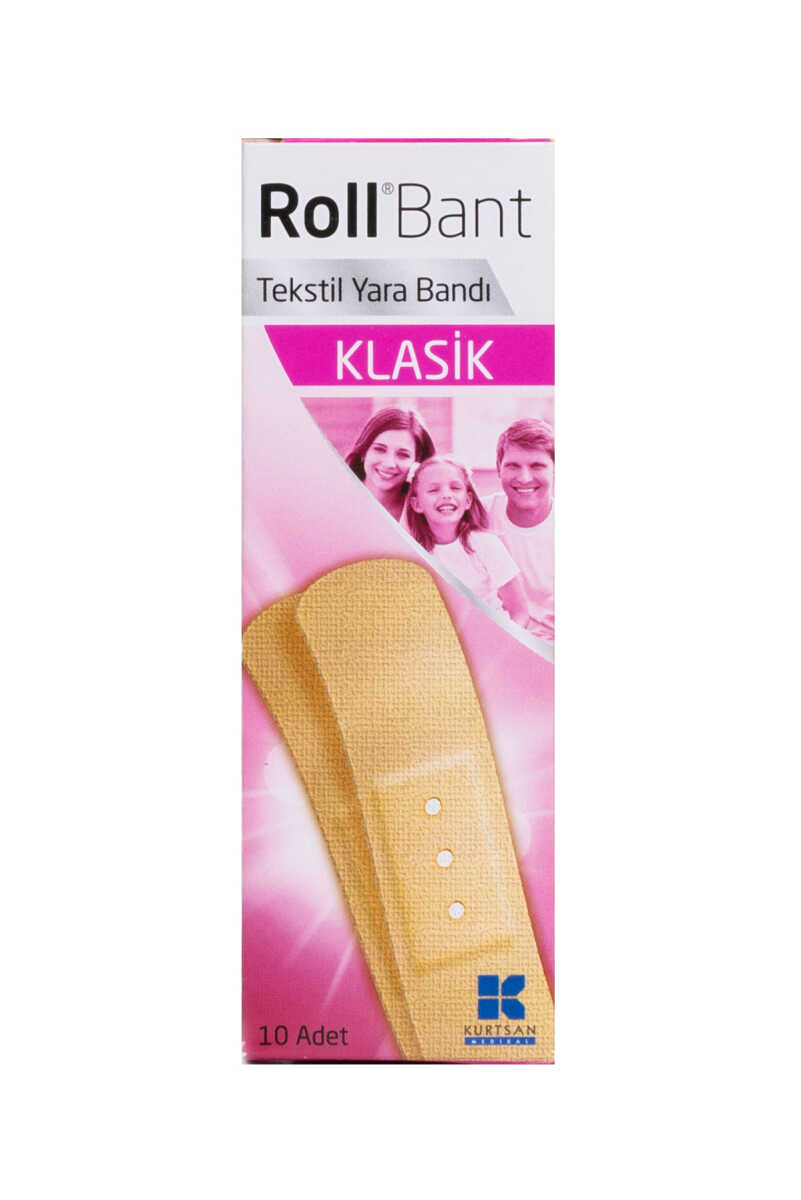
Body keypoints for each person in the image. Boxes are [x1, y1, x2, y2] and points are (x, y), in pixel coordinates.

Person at [407, 456, 528, 626]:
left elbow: (520, 612)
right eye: (433, 490)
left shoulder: (486, 544)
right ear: (417, 504)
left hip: (492, 636)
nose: (446, 495)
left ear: (468, 500)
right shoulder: (412, 553)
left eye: (455, 488)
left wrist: (504, 642)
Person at [486, 418, 554, 642]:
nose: (524, 478)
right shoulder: (478, 515)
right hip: (495, 642)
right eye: (513, 466)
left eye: (537, 466)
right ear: (498, 469)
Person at [346, 408, 435, 522]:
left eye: (403, 455)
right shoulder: (336, 498)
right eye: (379, 449)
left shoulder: (424, 515)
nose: (389, 464)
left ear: (417, 461)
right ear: (364, 451)